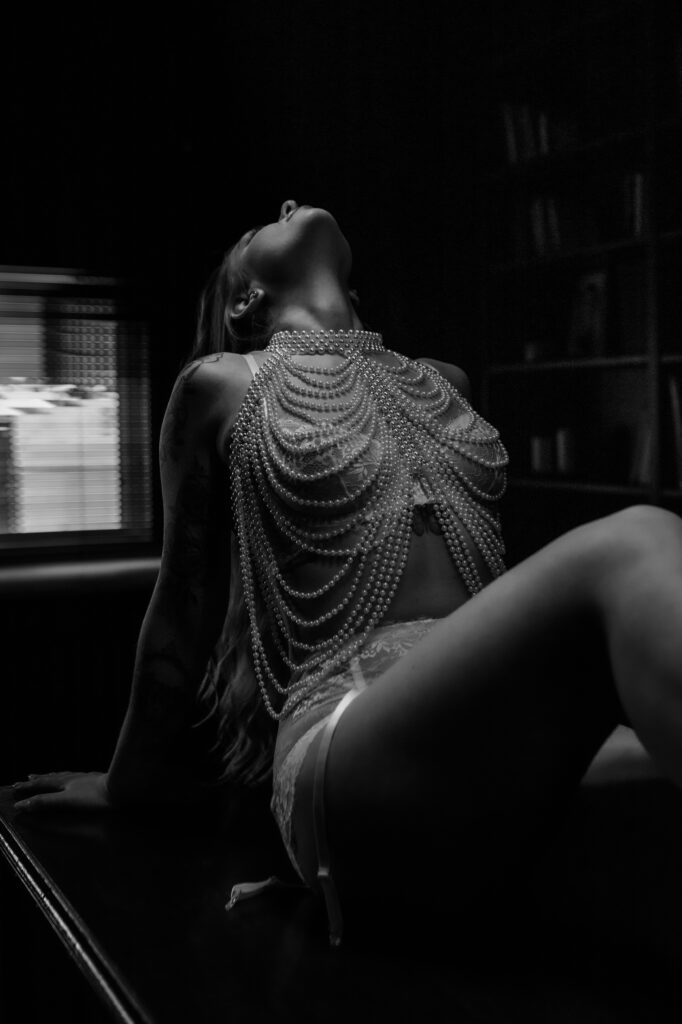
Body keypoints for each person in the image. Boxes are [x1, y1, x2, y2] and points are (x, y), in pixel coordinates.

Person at [10, 200, 682, 949]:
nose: (288, 205)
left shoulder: (442, 382)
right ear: (244, 301)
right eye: (259, 227)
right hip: (349, 748)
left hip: (484, 740)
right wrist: (125, 785)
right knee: (640, 539)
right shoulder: (221, 383)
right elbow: (181, 606)